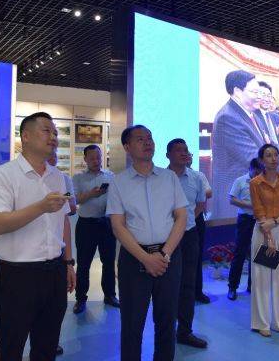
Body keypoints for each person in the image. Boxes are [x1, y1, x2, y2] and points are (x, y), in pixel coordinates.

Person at [0, 112, 76, 360]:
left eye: (55, 132)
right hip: (17, 277)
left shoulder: (58, 177)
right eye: (46, 130)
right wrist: (40, 207)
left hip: (55, 273)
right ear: (25, 136)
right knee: (10, 348)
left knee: (47, 347)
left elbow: (63, 222)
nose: (53, 137)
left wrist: (68, 262)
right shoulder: (3, 175)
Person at [106, 125, 188, 361]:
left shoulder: (169, 178)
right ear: (127, 147)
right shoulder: (119, 182)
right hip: (134, 259)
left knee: (167, 320)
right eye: (140, 139)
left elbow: (181, 217)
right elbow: (118, 226)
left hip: (168, 257)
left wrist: (165, 254)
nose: (148, 142)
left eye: (150, 138)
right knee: (132, 323)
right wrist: (145, 258)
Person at [211, 70, 279, 218]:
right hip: (237, 200)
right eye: (255, 92)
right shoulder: (228, 117)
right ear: (237, 91)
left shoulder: (253, 114)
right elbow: (253, 158)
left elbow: (268, 144)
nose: (260, 97)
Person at [166, 139, 208, 349]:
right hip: (165, 238)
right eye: (178, 150)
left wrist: (186, 221)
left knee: (188, 284)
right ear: (168, 155)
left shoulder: (196, 177)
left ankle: (184, 331)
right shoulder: (161, 178)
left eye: (186, 150)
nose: (184, 153)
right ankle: (166, 329)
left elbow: (200, 204)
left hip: (189, 235)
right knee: (167, 284)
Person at [249, 144, 279, 337]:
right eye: (268, 155)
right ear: (261, 160)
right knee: (261, 279)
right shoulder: (255, 183)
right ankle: (261, 323)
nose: (273, 158)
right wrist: (269, 238)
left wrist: (275, 223)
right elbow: (258, 211)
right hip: (262, 231)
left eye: (275, 154)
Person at [71, 144, 119, 315]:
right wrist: (91, 194)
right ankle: (80, 299)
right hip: (86, 225)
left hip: (106, 224)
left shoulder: (110, 176)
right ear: (85, 159)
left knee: (109, 262)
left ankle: (110, 295)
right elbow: (73, 199)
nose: (95, 161)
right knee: (84, 264)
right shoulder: (78, 178)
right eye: (91, 158)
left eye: (98, 157)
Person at [47, 150, 77, 358]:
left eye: (55, 155)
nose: (53, 157)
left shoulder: (62, 178)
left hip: (57, 256)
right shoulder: (8, 175)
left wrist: (69, 262)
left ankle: (51, 342)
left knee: (55, 308)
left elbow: (69, 209)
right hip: (23, 264)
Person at [227, 157, 264, 300]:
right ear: (250, 169)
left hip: (260, 220)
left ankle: (252, 286)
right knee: (240, 253)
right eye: (256, 172)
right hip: (245, 220)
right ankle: (232, 287)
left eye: (260, 172)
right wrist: (251, 206)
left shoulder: (264, 181)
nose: (258, 175)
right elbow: (232, 199)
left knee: (258, 253)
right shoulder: (240, 181)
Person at [188, 152, 213, 304]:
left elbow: (208, 192)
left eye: (188, 153)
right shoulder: (168, 175)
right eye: (181, 152)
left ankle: (197, 292)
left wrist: (195, 191)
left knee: (196, 257)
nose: (186, 156)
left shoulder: (198, 175)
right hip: (172, 221)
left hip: (196, 219)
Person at [257, 81, 279, 148]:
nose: (267, 99)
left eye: (269, 96)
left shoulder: (275, 117)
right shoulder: (253, 117)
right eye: (263, 95)